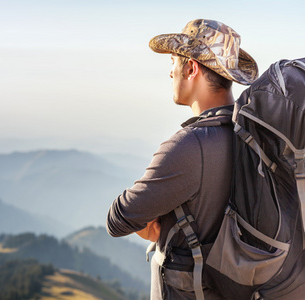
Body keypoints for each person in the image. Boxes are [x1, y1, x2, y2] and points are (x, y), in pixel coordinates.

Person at [106, 19, 259, 299]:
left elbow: (118, 219)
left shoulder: (189, 146)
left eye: (174, 62)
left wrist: (157, 226)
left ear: (191, 68)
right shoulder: (255, 136)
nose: (170, 73)